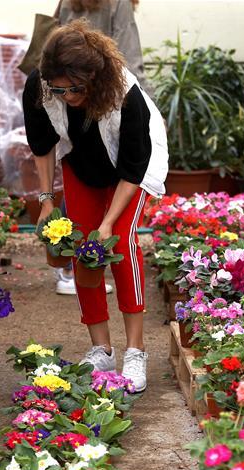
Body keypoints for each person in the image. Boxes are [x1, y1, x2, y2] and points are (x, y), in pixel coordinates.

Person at [23, 20, 168, 392]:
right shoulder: (41, 87)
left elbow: (133, 169)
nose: (67, 96)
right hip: (83, 163)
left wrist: (108, 222)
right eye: (60, 88)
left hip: (130, 170)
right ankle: (101, 348)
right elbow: (42, 145)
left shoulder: (126, 96)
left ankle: (136, 351)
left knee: (117, 242)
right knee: (82, 247)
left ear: (94, 77)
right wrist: (45, 201)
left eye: (76, 89)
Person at [53, 0, 149, 296]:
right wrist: (145, 106)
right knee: (112, 181)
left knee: (83, 175)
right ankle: (82, 262)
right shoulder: (116, 3)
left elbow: (55, 48)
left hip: (71, 103)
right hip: (107, 104)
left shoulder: (68, 2)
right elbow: (130, 58)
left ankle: (69, 264)